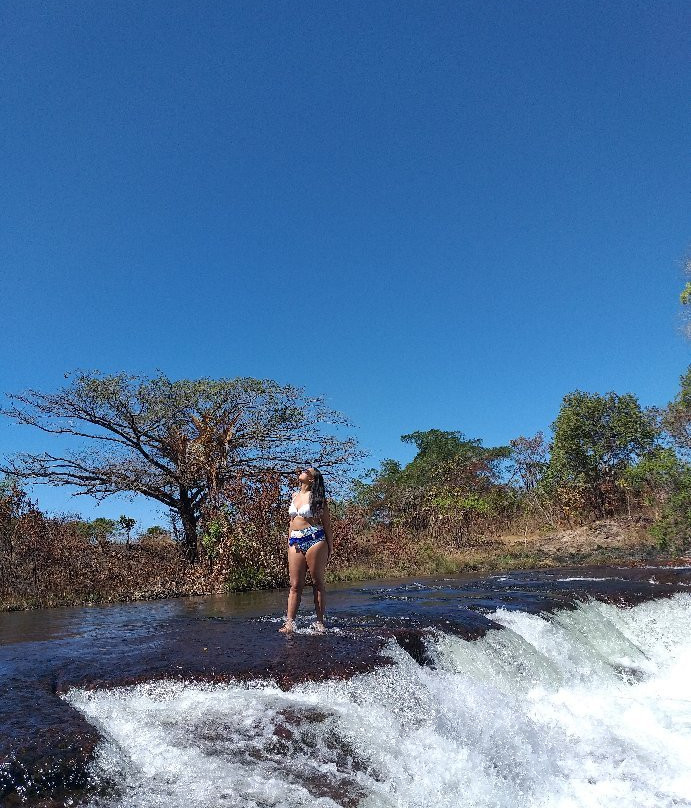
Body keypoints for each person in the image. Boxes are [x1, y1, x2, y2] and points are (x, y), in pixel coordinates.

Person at [279, 466, 334, 634]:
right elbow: (291, 522)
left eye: (307, 471)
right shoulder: (294, 496)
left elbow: (327, 524)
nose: (303, 471)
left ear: (312, 479)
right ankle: (289, 623)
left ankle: (319, 622)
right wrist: (288, 541)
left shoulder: (318, 498)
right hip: (295, 540)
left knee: (317, 582)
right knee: (295, 585)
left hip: (315, 539)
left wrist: (330, 547)